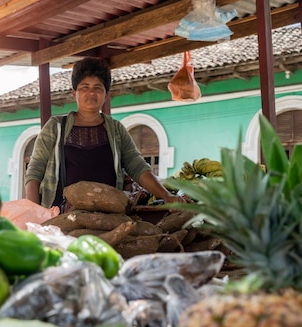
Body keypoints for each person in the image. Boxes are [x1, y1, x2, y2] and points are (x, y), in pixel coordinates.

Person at [24, 57, 184, 211]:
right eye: (84, 87)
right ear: (74, 93)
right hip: (60, 215)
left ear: (106, 95)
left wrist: (166, 196)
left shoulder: (116, 129)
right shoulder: (55, 127)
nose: (91, 93)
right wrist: (35, 212)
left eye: (97, 88)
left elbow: (137, 166)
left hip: (107, 217)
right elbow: (35, 171)